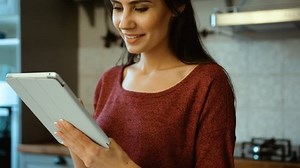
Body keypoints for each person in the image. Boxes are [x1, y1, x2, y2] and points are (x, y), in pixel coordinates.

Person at [54, 0, 236, 167]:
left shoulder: (207, 83)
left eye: (141, 8)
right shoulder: (108, 81)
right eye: (117, 8)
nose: (124, 23)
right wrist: (75, 138)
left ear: (177, 6)